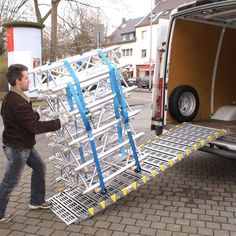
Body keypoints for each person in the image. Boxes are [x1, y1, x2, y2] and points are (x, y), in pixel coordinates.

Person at [0, 64, 69, 223]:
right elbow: (34, 127)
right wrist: (60, 121)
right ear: (18, 81)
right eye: (26, 78)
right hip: (18, 148)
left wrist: (36, 114)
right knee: (10, 181)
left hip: (22, 144)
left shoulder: (12, 97)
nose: (28, 81)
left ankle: (36, 201)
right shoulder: (17, 101)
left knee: (39, 167)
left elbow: (24, 121)